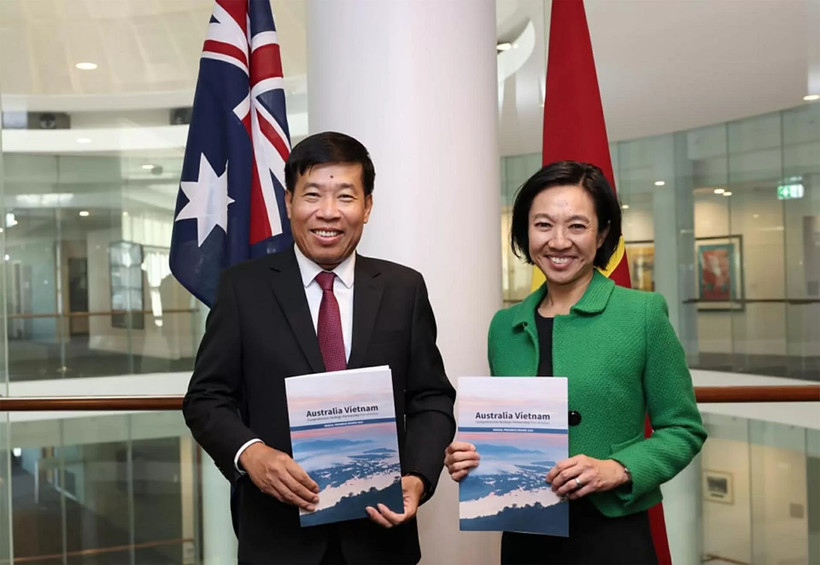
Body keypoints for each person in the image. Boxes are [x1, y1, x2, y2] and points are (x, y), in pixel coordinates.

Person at [183, 131, 456, 564]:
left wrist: (418, 475)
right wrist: (251, 454)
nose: (328, 213)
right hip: (277, 537)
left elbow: (431, 397)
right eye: (312, 195)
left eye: (345, 196)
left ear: (366, 207)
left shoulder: (404, 289)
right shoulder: (243, 288)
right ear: (289, 202)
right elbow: (206, 398)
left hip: (381, 538)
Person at [444, 161, 706, 564]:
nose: (559, 241)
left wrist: (618, 468)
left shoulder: (643, 314)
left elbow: (683, 429)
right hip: (524, 534)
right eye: (543, 225)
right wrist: (472, 456)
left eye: (577, 226)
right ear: (524, 232)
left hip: (611, 535)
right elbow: (510, 428)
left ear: (602, 234)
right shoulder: (504, 326)